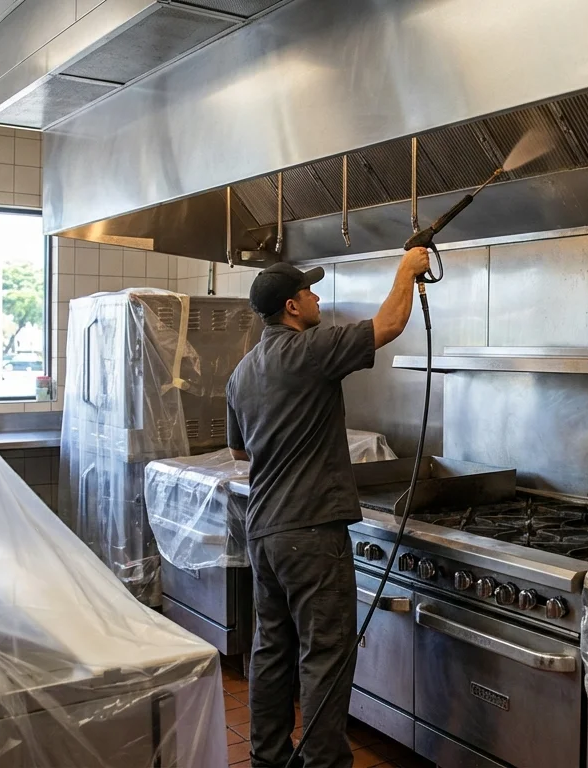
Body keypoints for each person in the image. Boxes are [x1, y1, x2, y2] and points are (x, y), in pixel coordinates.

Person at [225, 247, 431, 768]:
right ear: (293, 307)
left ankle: (267, 758)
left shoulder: (242, 372)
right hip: (312, 532)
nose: (317, 296)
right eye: (309, 290)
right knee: (325, 655)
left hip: (265, 531)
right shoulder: (312, 350)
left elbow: (240, 452)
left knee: (273, 650)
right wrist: (408, 268)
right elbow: (388, 324)